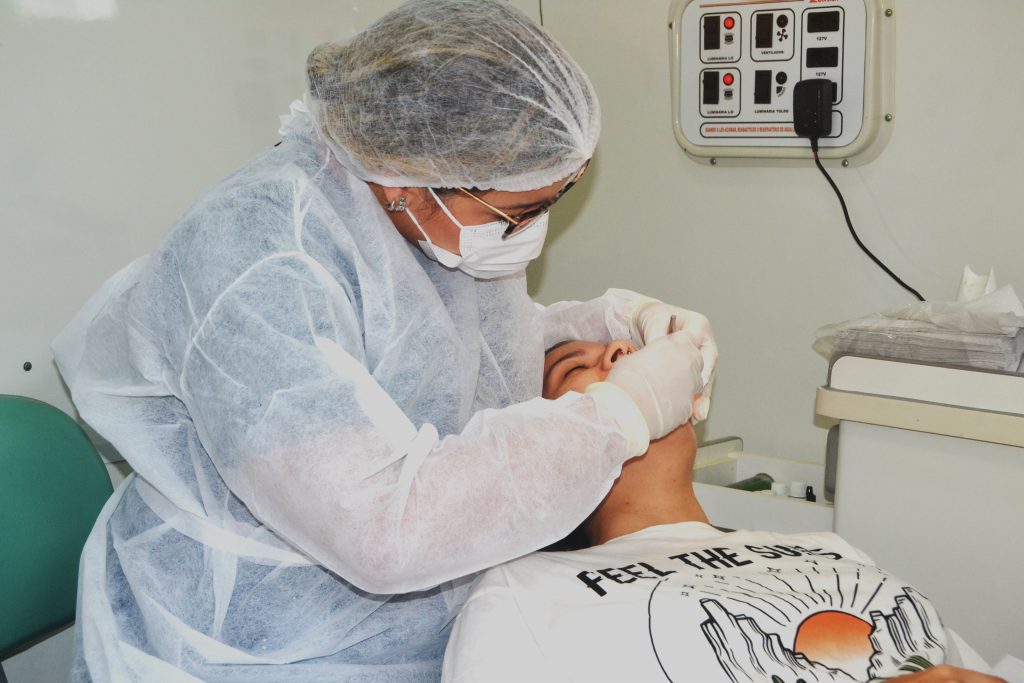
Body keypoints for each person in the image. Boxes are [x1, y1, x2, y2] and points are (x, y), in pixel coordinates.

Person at [51, 1, 718, 681]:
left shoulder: (420, 218)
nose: (530, 232)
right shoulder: (253, 256)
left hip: (417, 628)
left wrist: (605, 323)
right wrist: (619, 413)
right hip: (249, 648)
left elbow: (448, 354)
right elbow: (385, 527)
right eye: (521, 213)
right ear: (408, 177)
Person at [441, 340, 1004, 683]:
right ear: (532, 450)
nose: (624, 353)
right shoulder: (521, 594)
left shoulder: (827, 549)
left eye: (629, 346)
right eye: (574, 368)